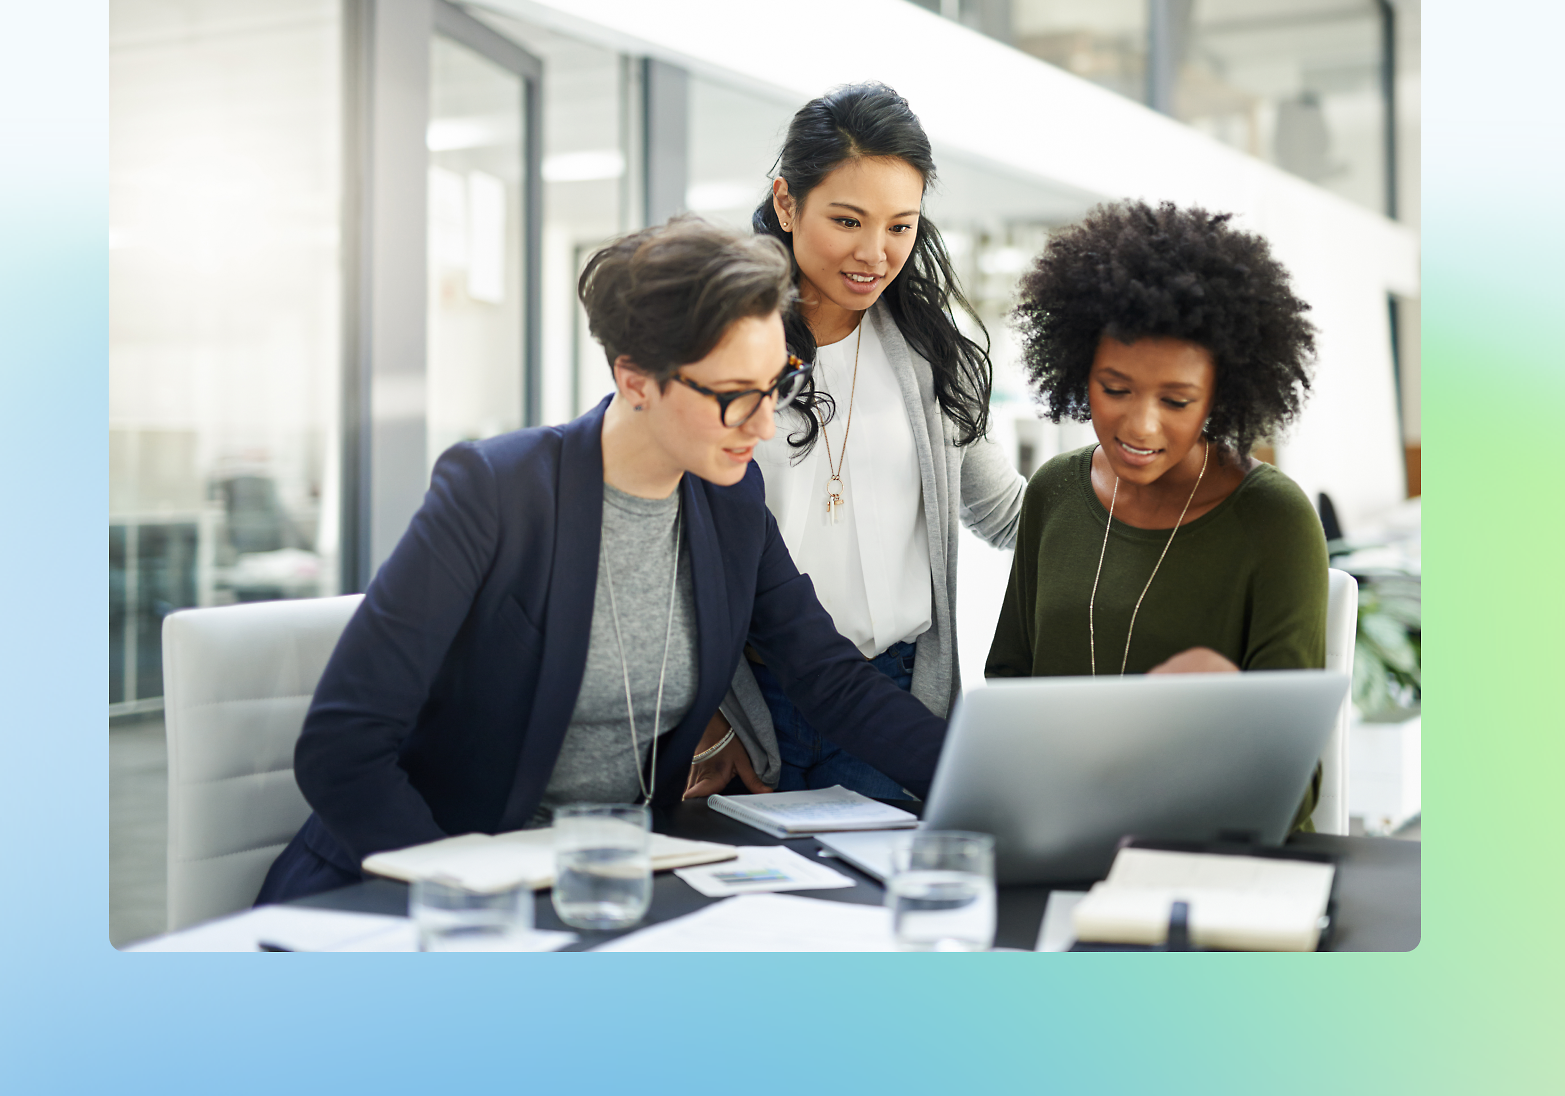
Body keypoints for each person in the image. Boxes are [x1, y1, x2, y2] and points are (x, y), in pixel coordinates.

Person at [255, 218, 949, 904]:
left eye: (777, 388)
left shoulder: (727, 504)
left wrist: (975, 774)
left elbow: (828, 677)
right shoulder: (496, 492)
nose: (765, 426)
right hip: (427, 892)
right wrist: (470, 898)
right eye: (737, 397)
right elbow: (342, 749)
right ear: (637, 379)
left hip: (605, 885)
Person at [685, 83, 1024, 801]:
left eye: (901, 227)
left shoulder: (932, 353)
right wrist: (712, 718)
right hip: (752, 704)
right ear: (786, 203)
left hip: (894, 699)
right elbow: (669, 544)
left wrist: (1146, 488)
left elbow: (1006, 512)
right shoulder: (719, 347)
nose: (875, 253)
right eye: (847, 220)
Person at [983, 200, 1327, 826]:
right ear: (1077, 369)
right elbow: (1008, 686)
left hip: (1209, 854)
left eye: (1176, 399)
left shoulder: (1274, 523)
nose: (1139, 425)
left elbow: (1292, 785)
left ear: (1220, 397)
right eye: (1115, 389)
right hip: (1058, 834)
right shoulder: (1054, 492)